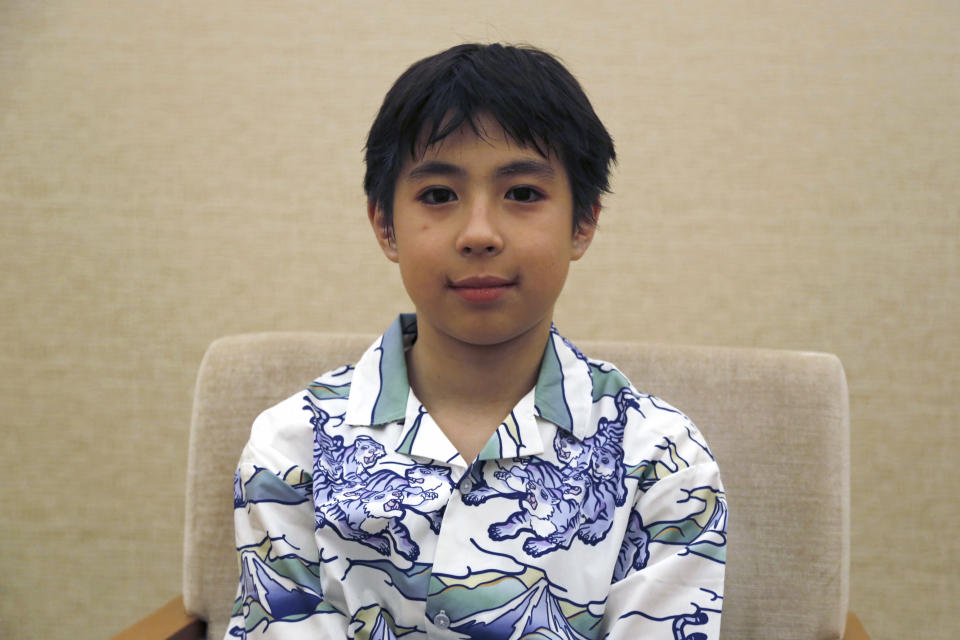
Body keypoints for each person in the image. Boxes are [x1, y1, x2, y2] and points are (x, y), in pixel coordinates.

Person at [226, 43, 726, 640]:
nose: (480, 233)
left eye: (522, 194)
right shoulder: (293, 449)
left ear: (584, 221)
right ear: (385, 226)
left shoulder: (662, 458)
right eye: (438, 195)